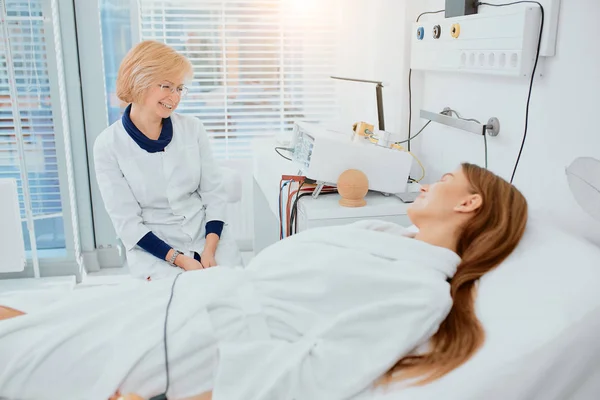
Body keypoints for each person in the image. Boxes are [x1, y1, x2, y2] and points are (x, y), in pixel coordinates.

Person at [0, 164, 528, 400]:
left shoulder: (422, 289)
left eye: (444, 180)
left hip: (194, 343)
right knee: (32, 320)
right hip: (181, 302)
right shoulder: (381, 234)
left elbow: (316, 377)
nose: (430, 182)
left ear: (468, 203)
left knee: (19, 359)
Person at [93, 40, 242, 280]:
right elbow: (127, 223)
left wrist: (209, 250)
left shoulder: (192, 129)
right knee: (177, 306)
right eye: (166, 86)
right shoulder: (108, 145)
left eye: (180, 88)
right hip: (155, 249)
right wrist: (180, 260)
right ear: (139, 82)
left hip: (207, 238)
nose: (174, 97)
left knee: (234, 294)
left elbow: (214, 194)